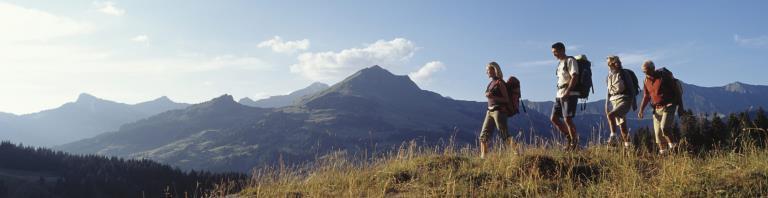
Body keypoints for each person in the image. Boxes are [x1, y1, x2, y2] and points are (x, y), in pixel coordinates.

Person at [638, 60, 685, 154]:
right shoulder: (646, 80)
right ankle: (664, 153)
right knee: (658, 134)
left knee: (665, 127)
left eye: (648, 71)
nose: (646, 73)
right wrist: (641, 110)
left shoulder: (663, 76)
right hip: (657, 108)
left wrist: (680, 106)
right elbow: (646, 96)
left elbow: (677, 91)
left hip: (669, 105)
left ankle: (674, 149)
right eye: (644, 72)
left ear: (653, 68)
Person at [479, 62, 514, 158]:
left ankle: (516, 153)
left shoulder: (500, 82)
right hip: (489, 111)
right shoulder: (491, 83)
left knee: (504, 135)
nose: (486, 72)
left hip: (499, 111)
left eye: (488, 70)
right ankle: (483, 158)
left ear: (494, 70)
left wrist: (492, 96)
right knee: (483, 136)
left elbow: (506, 99)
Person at [550, 42, 580, 150]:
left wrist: (568, 91)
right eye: (553, 52)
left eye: (555, 52)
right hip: (559, 94)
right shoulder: (559, 64)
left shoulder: (570, 61)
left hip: (569, 94)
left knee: (567, 119)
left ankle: (574, 144)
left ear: (562, 50)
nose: (554, 54)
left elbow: (575, 76)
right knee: (554, 118)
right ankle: (570, 139)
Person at [604, 56, 632, 149]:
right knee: (622, 127)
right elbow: (608, 91)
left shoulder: (624, 74)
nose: (618, 63)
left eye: (618, 62)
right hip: (614, 101)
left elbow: (631, 88)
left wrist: (633, 103)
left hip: (624, 99)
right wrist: (606, 104)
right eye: (615, 62)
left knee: (611, 115)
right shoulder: (609, 76)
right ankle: (628, 147)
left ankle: (613, 137)